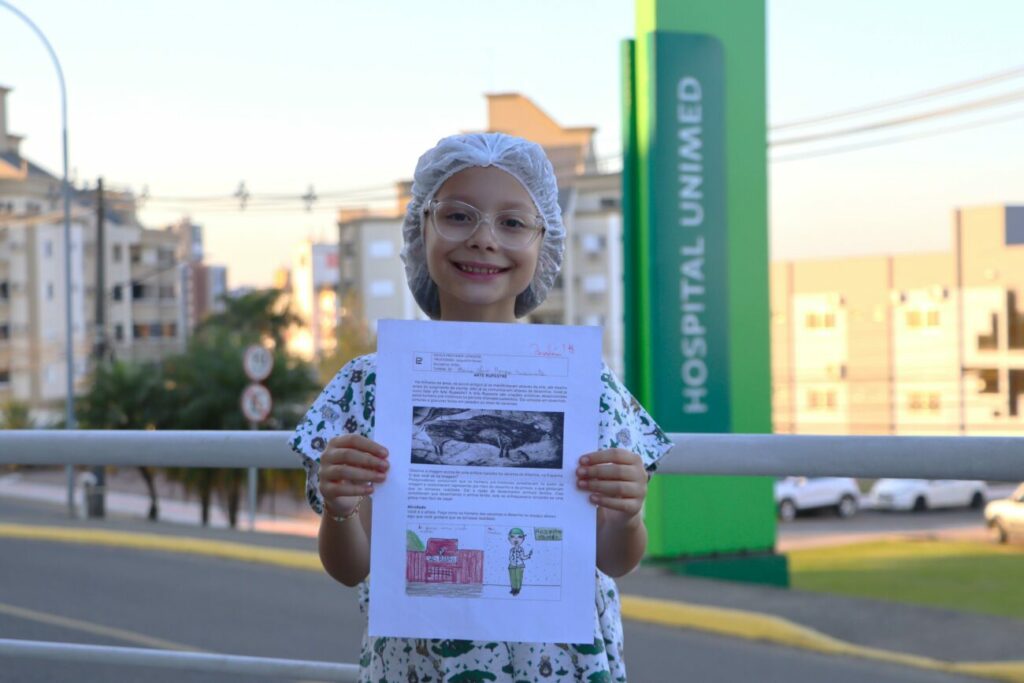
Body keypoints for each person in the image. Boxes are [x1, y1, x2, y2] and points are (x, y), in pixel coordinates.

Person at [289, 132, 673, 682]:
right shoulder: (370, 387)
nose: (484, 239)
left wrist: (629, 512)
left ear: (545, 243)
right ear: (421, 230)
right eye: (458, 216)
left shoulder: (584, 384)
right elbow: (350, 568)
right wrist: (340, 505)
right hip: (419, 669)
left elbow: (617, 559)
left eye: (513, 223)